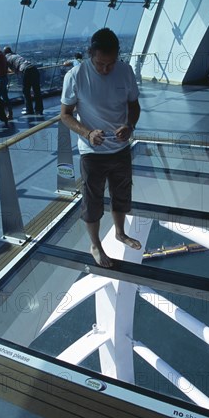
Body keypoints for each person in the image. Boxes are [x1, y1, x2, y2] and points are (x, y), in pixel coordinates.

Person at [60, 28, 141, 268]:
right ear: (90, 55)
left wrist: (130, 125)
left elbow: (134, 105)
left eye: (111, 64)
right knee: (92, 200)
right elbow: (65, 115)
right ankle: (95, 244)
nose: (106, 69)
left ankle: (120, 232)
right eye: (100, 64)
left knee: (122, 194)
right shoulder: (75, 76)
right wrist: (87, 132)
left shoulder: (125, 72)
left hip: (120, 148)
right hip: (92, 152)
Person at [3, 47, 43, 115]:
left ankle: (29, 110)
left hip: (26, 71)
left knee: (26, 92)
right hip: (34, 69)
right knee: (37, 91)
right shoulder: (16, 55)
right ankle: (39, 110)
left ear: (4, 53)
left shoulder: (6, 58)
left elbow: (5, 70)